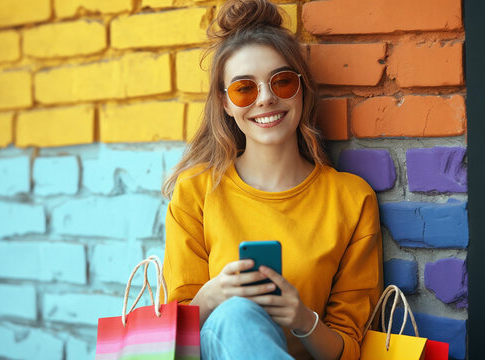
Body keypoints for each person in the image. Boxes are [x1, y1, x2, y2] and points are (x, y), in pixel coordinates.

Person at [161, 0, 383, 358]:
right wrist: (214, 295)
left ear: (301, 89)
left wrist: (301, 318)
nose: (265, 99)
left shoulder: (351, 199)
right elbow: (169, 336)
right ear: (225, 103)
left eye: (281, 82)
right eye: (244, 89)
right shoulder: (196, 193)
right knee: (236, 313)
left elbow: (349, 350)